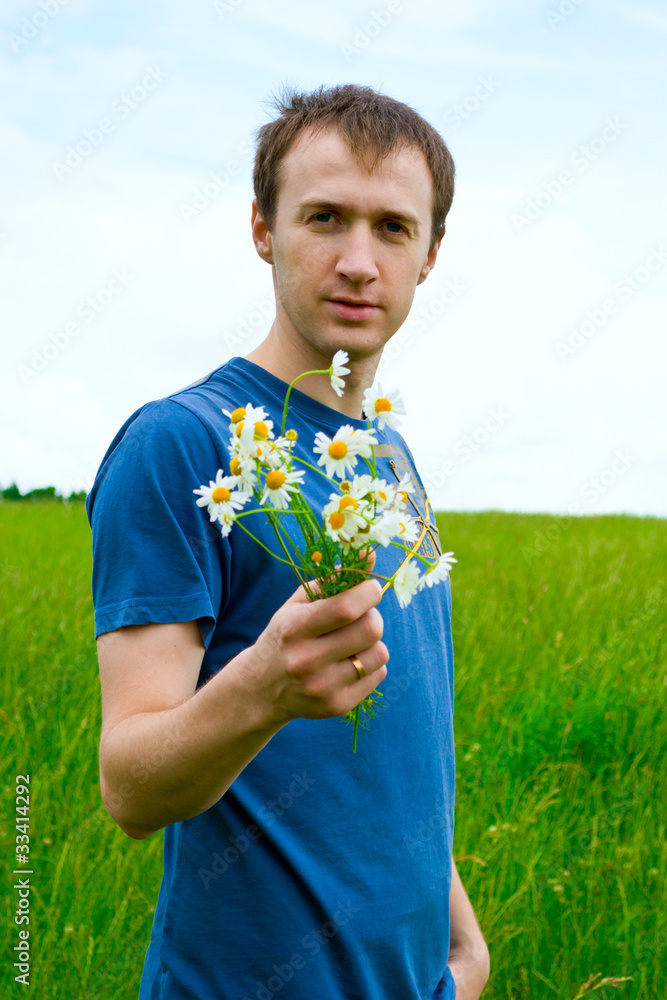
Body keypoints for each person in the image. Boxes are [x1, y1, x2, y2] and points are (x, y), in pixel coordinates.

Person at [86, 82, 490, 1000]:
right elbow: (131, 788)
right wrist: (262, 690)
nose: (357, 261)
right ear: (263, 230)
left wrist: (463, 955)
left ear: (429, 255)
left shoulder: (389, 458)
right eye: (323, 218)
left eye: (392, 228)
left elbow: (402, 753)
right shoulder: (183, 443)